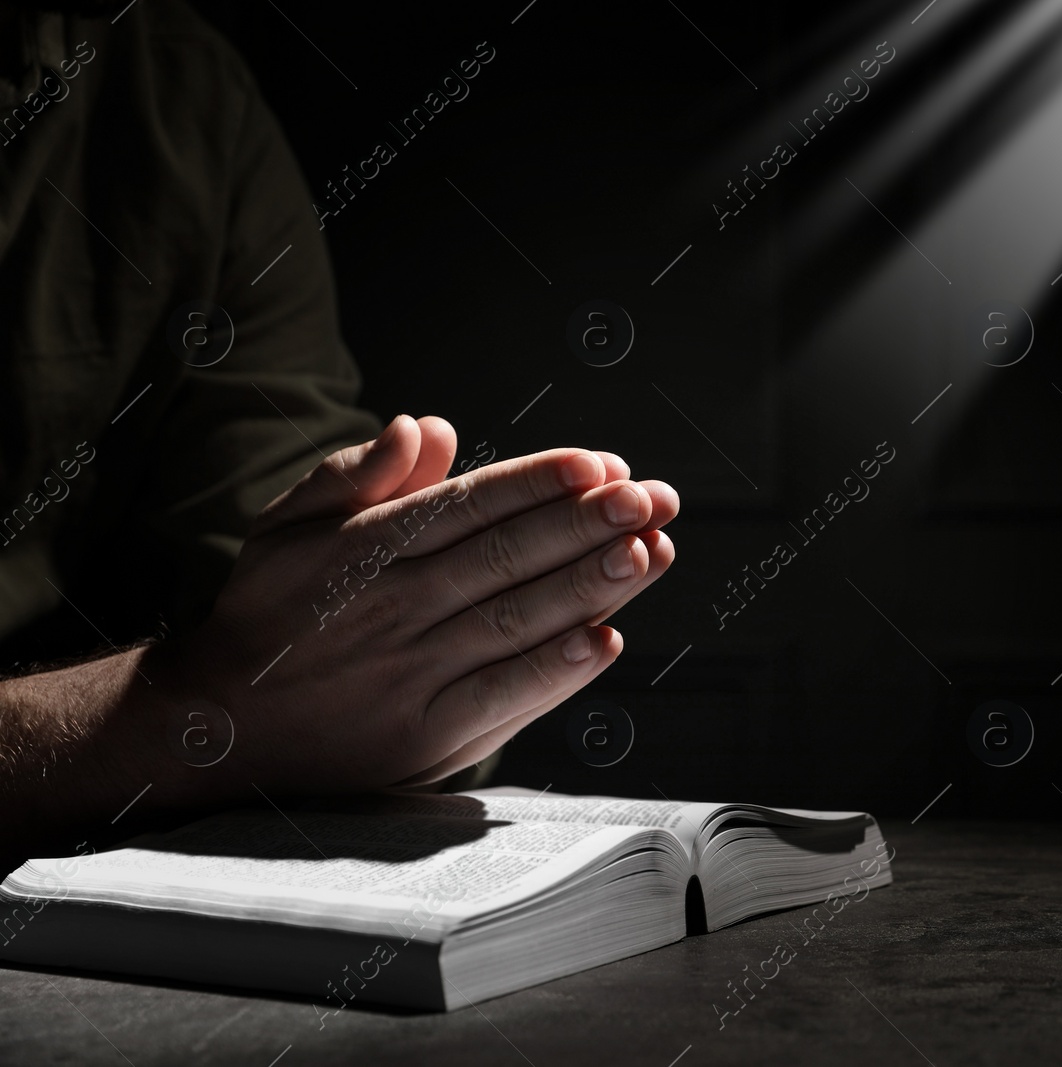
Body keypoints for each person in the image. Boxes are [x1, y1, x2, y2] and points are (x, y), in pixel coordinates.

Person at [0, 0, 677, 862]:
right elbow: (246, 698)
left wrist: (419, 667)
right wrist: (193, 710)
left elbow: (290, 624)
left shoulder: (175, 92)